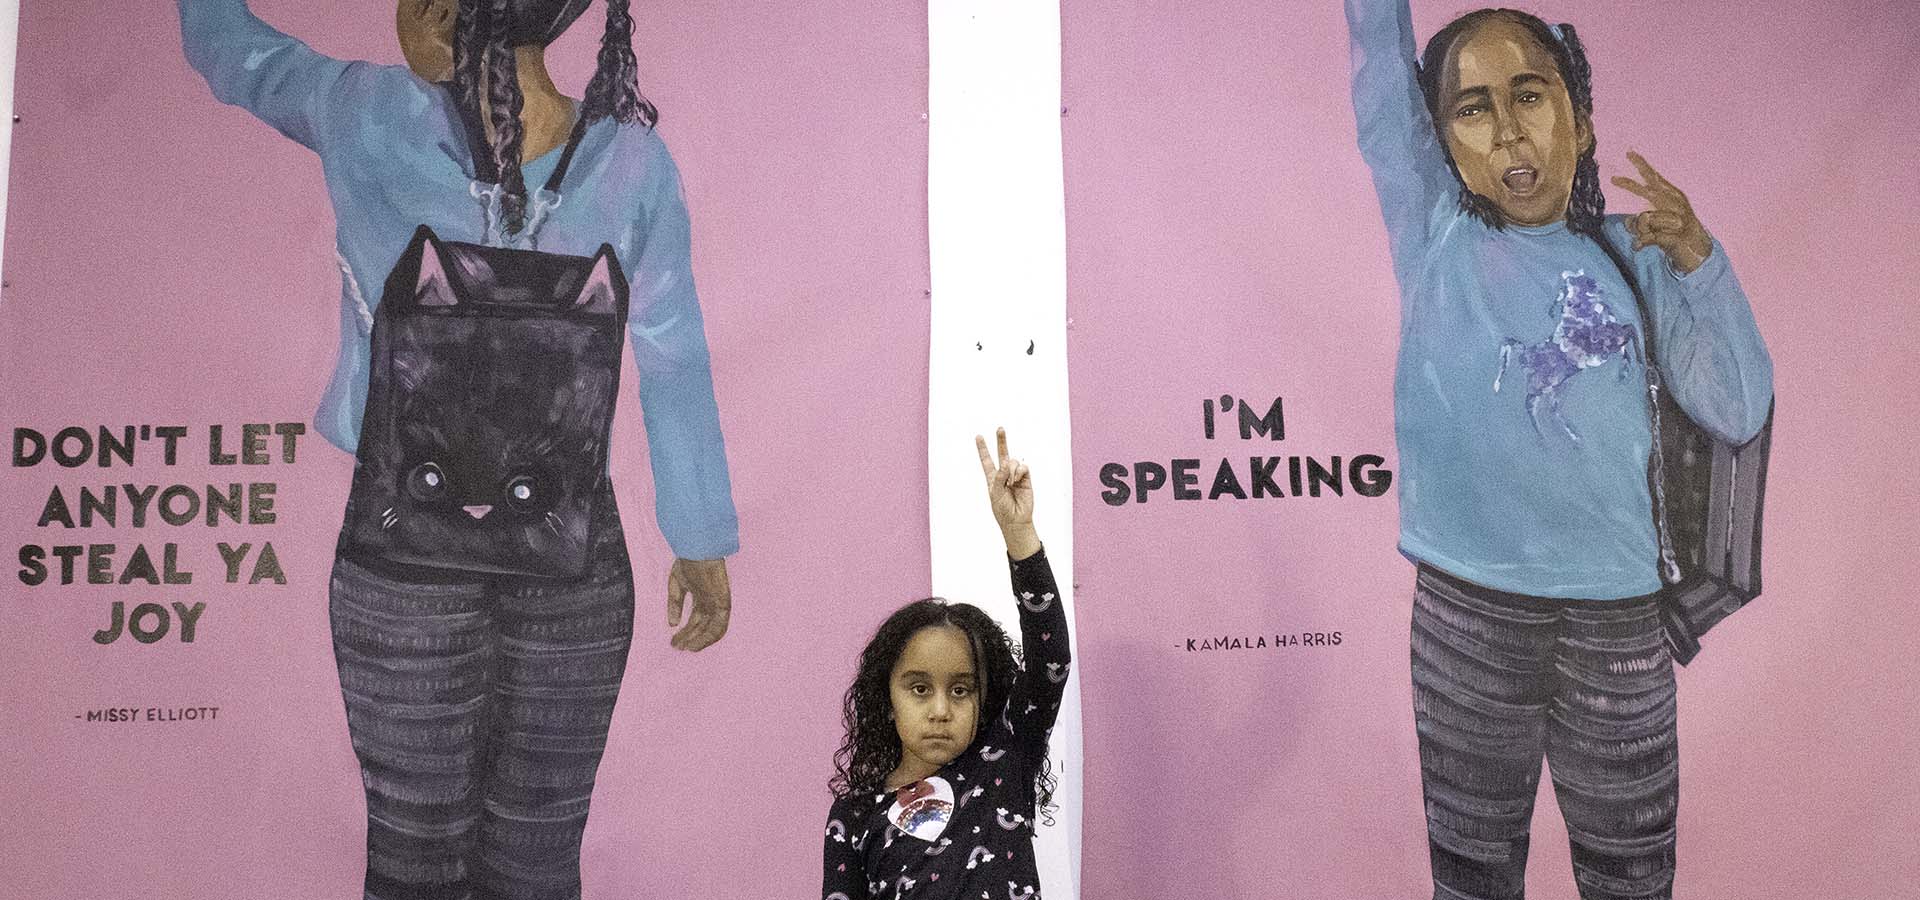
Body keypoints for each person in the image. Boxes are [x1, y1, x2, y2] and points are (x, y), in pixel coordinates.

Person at [179, 2, 739, 897]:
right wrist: (699, 537)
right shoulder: (634, 163)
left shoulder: (362, 112)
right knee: (540, 860)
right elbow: (675, 357)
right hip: (574, 565)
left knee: (411, 857)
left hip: (401, 550)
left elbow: (228, 52)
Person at [1344, 1, 1773, 898]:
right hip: (1466, 618)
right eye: (1472, 108)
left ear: (1577, 118)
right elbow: (1382, 77)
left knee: (1632, 881)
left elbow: (1738, 406)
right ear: (1440, 141)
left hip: (1619, 624)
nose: (1507, 129)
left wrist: (1701, 262)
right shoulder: (1435, 235)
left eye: (1529, 95)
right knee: (1472, 879)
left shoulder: (1638, 258)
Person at [822, 429, 1068, 900]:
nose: (940, 710)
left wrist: (1020, 536)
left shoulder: (1003, 759)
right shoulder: (853, 817)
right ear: (887, 699)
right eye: (919, 689)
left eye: (961, 690)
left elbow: (1050, 659)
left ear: (984, 695)